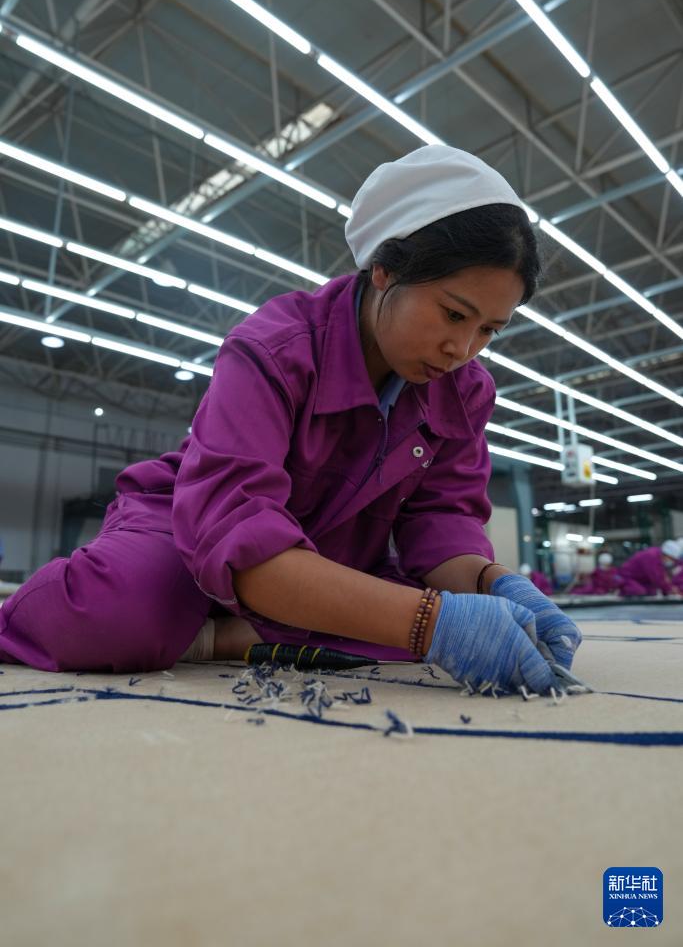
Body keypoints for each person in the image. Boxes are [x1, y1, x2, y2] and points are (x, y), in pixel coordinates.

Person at [0, 146, 581, 693]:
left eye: (488, 330)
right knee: (119, 613)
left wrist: (491, 583)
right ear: (384, 268)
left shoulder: (466, 391)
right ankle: (226, 631)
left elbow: (441, 520)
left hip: (325, 558)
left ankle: (225, 634)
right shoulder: (274, 348)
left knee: (413, 618)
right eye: (454, 314)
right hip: (194, 525)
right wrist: (430, 623)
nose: (463, 349)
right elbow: (241, 537)